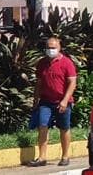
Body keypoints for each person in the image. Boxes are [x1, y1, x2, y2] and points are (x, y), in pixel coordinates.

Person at [28, 36, 77, 167]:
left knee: (64, 128)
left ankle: (65, 156)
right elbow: (38, 83)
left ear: (59, 48)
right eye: (49, 48)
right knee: (42, 126)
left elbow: (72, 82)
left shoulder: (67, 63)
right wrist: (35, 100)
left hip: (62, 101)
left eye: (53, 48)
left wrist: (65, 100)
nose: (51, 50)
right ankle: (42, 157)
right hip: (46, 101)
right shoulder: (42, 63)